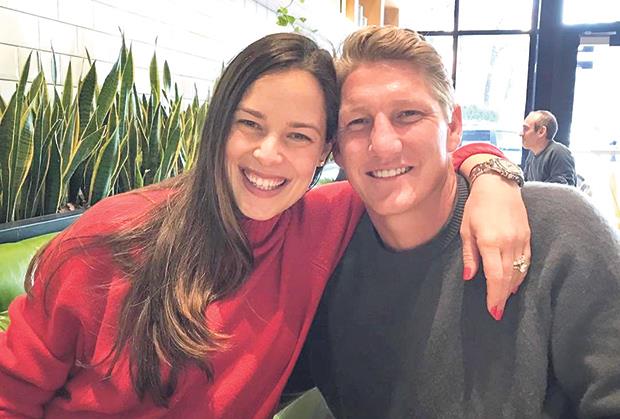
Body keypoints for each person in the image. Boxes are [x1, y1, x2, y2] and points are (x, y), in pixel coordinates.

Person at [0, 33, 529, 418]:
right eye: (249, 125)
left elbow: (418, 167)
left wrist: (491, 174)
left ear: (327, 151)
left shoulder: (322, 221)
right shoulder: (115, 236)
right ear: (218, 126)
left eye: (298, 136)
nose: (268, 155)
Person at [294, 26, 620, 418]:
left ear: (452, 128)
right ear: (336, 149)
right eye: (358, 122)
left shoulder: (559, 229)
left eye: (408, 115)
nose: (383, 144)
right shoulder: (323, 255)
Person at [521, 110, 577, 185]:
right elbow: (525, 184)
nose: (521, 133)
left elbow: (563, 189)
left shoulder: (559, 153)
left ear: (541, 131)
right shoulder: (532, 154)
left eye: (526, 129)